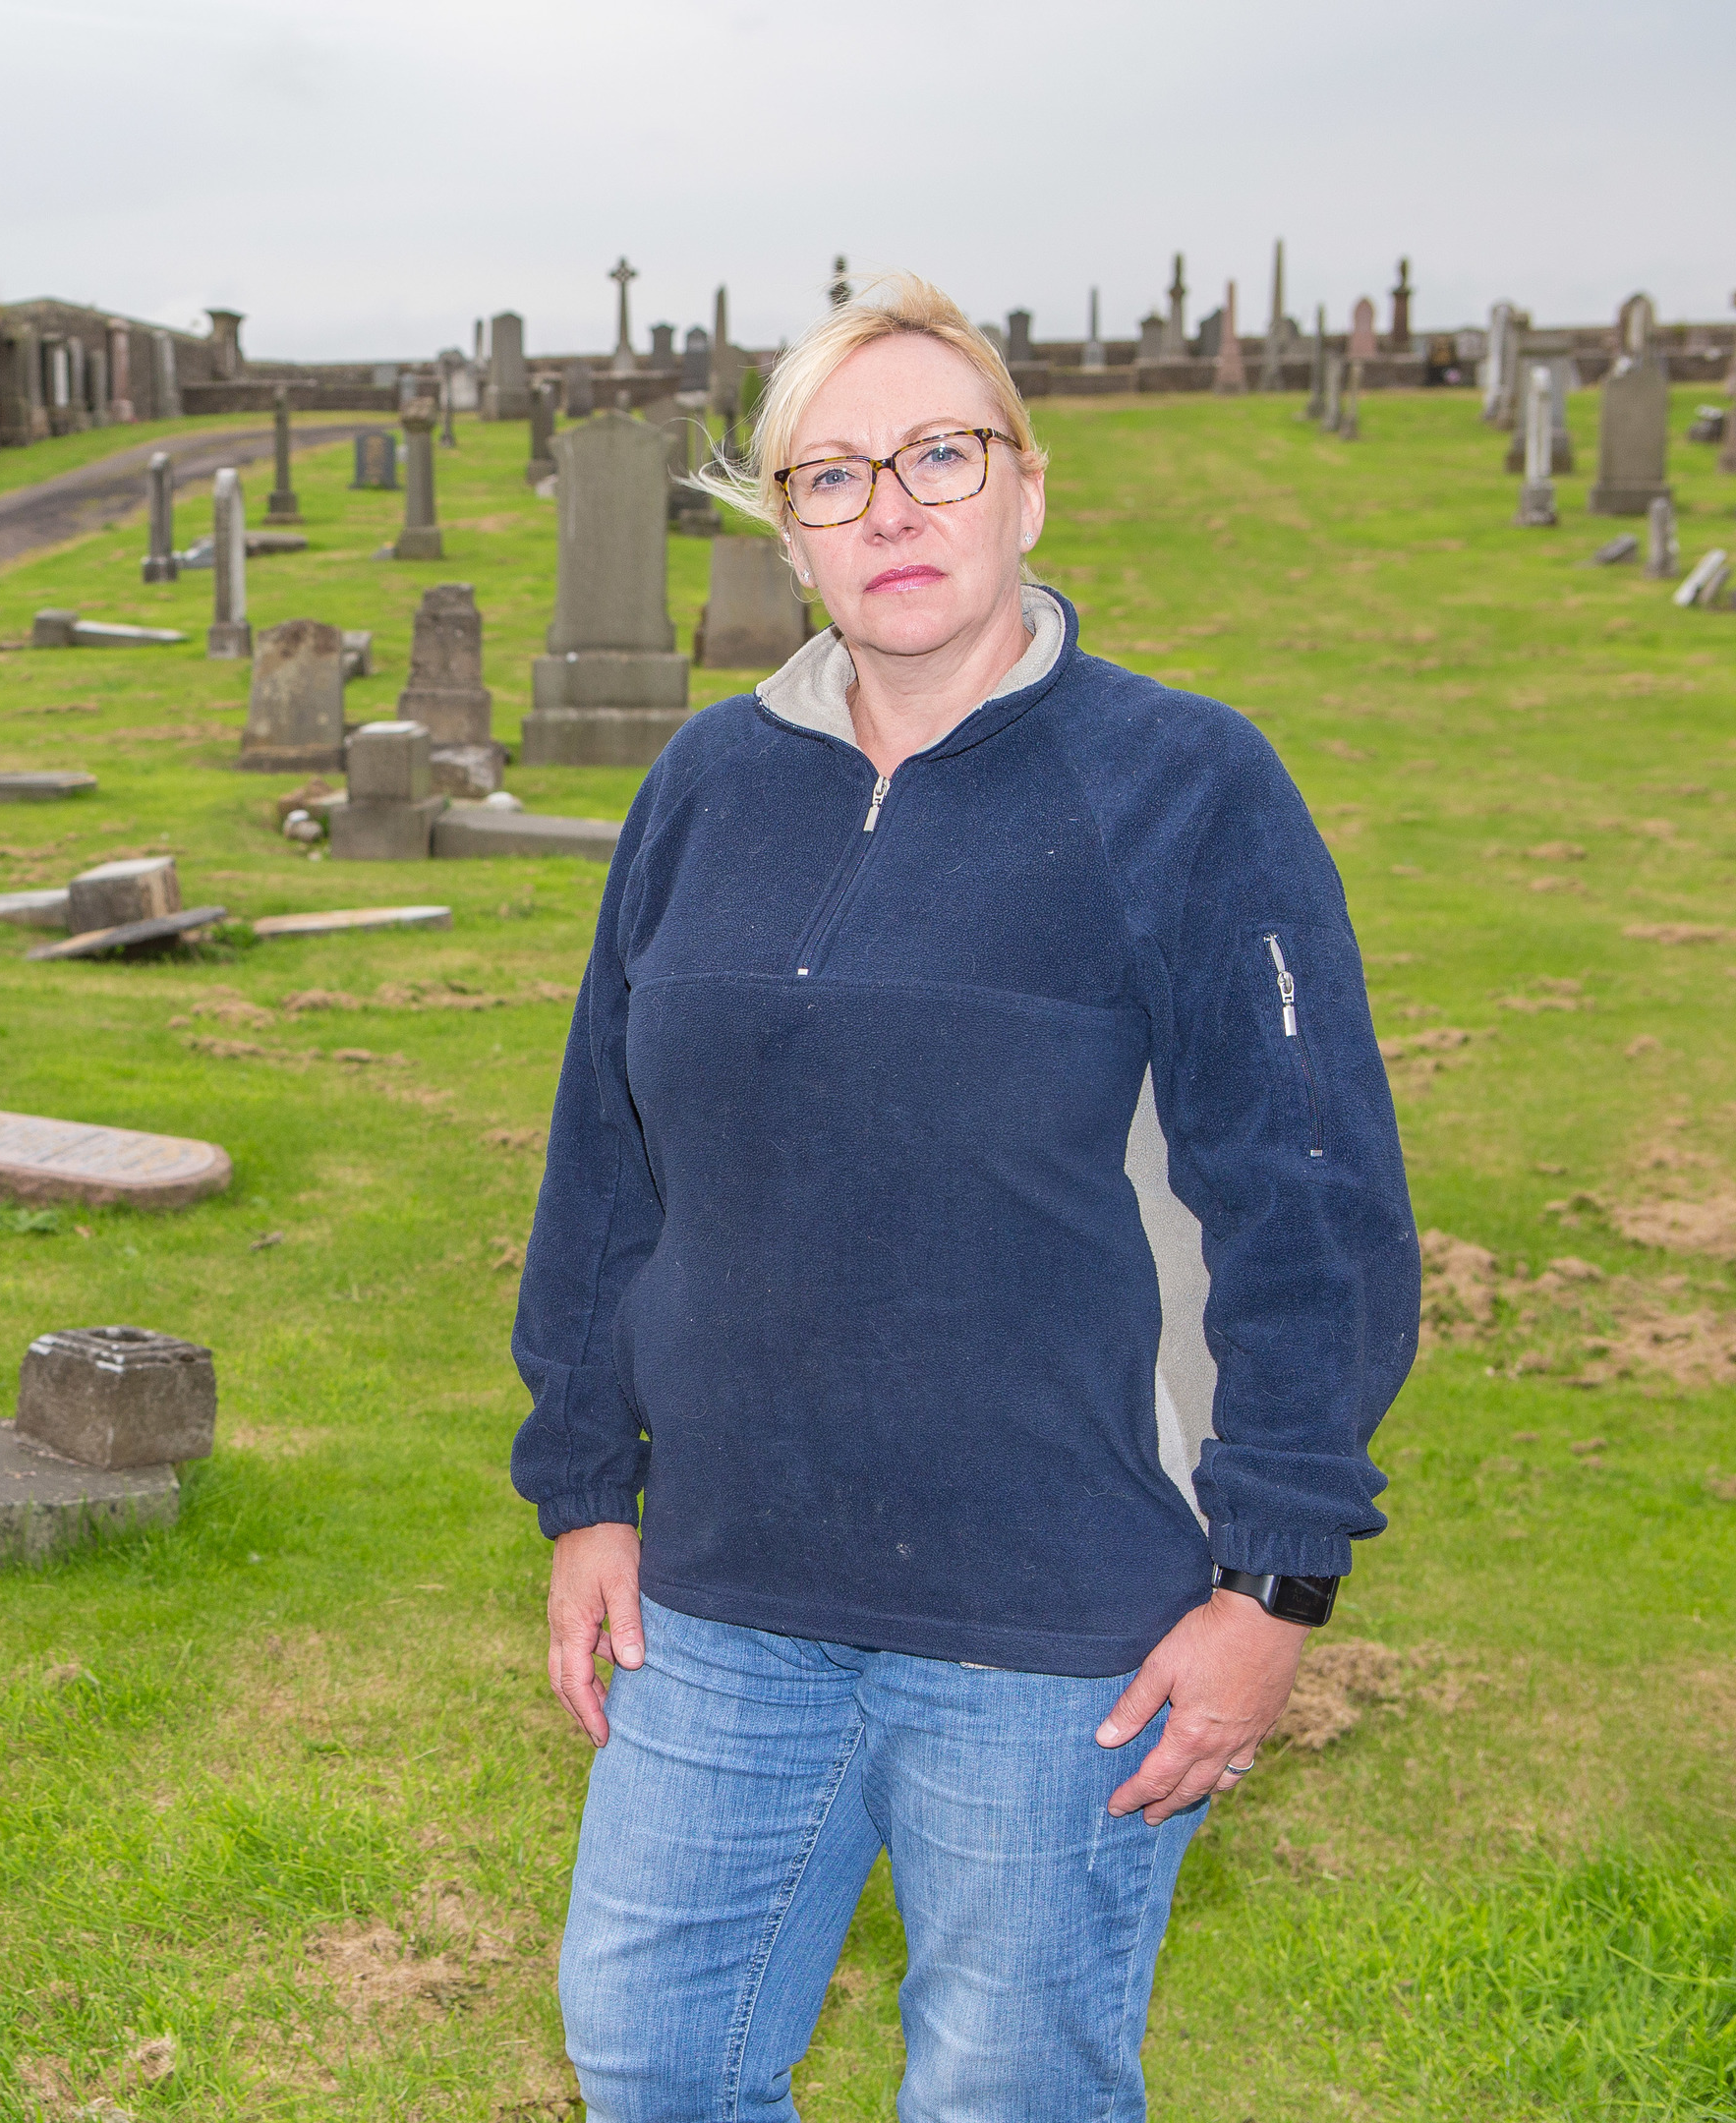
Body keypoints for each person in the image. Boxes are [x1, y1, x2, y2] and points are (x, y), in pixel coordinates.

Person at [507, 272, 1418, 2120]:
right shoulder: (706, 785)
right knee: (651, 2054)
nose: (893, 506)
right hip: (728, 1596)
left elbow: (1303, 1192)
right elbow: (611, 1154)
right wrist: (586, 1486)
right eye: (831, 476)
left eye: (939, 451)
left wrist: (1278, 1577)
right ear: (787, 531)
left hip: (1059, 1622)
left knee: (1011, 2093)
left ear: (1025, 483)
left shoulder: (1184, 784)